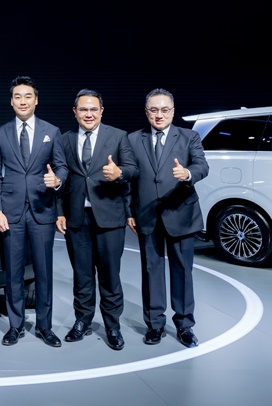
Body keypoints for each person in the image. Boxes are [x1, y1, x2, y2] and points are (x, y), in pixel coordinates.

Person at [0, 75, 68, 347]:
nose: (23, 101)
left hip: (42, 210)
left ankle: (45, 326)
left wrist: (57, 179)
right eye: (18, 97)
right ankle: (15, 326)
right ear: (11, 102)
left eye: (28, 96)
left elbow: (62, 166)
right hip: (10, 213)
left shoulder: (51, 131)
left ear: (36, 100)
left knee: (44, 272)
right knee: (14, 272)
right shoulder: (0, 134)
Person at [55, 89, 139, 351]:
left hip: (109, 217)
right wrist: (59, 211)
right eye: (83, 109)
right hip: (76, 218)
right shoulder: (64, 139)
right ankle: (82, 321)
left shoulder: (118, 136)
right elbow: (60, 178)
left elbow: (133, 169)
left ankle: (112, 326)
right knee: (81, 275)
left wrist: (119, 172)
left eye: (93, 109)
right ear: (75, 112)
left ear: (102, 111)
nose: (88, 114)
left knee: (110, 275)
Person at [128, 88, 209, 348]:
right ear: (146, 112)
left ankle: (184, 325)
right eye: (154, 110)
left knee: (182, 271)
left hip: (181, 213)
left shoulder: (189, 136)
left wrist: (187, 174)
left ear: (173, 112)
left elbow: (202, 165)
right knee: (151, 270)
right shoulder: (133, 139)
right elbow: (130, 180)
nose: (159, 115)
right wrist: (130, 212)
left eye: (164, 110)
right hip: (147, 215)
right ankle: (155, 324)